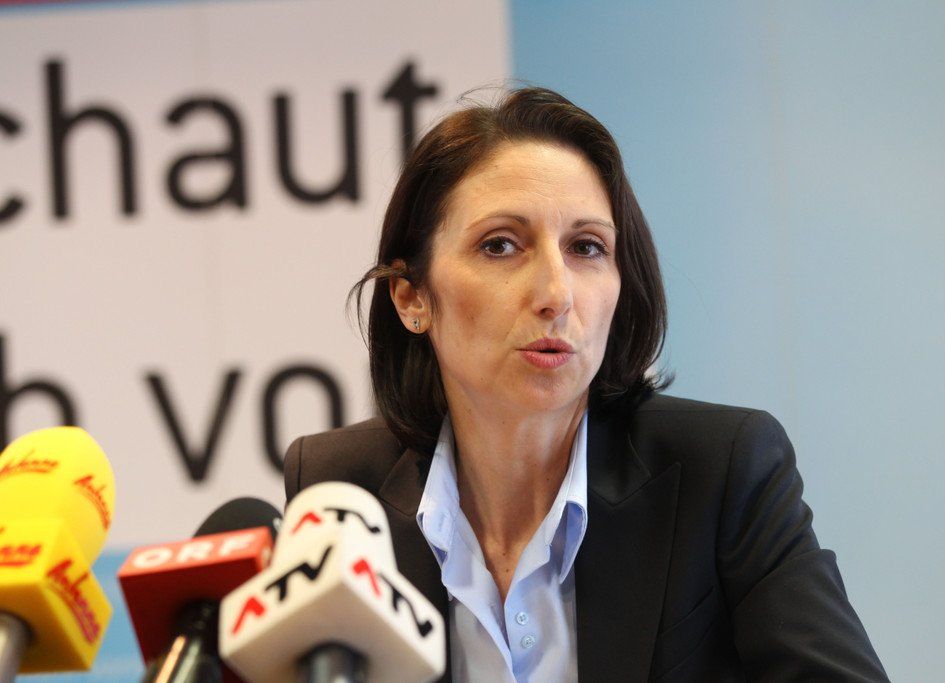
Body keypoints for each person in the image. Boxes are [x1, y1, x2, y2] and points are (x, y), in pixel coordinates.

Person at [284, 87, 888, 682]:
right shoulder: (340, 492)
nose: (556, 294)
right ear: (411, 297)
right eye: (501, 245)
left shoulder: (721, 472)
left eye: (587, 247)